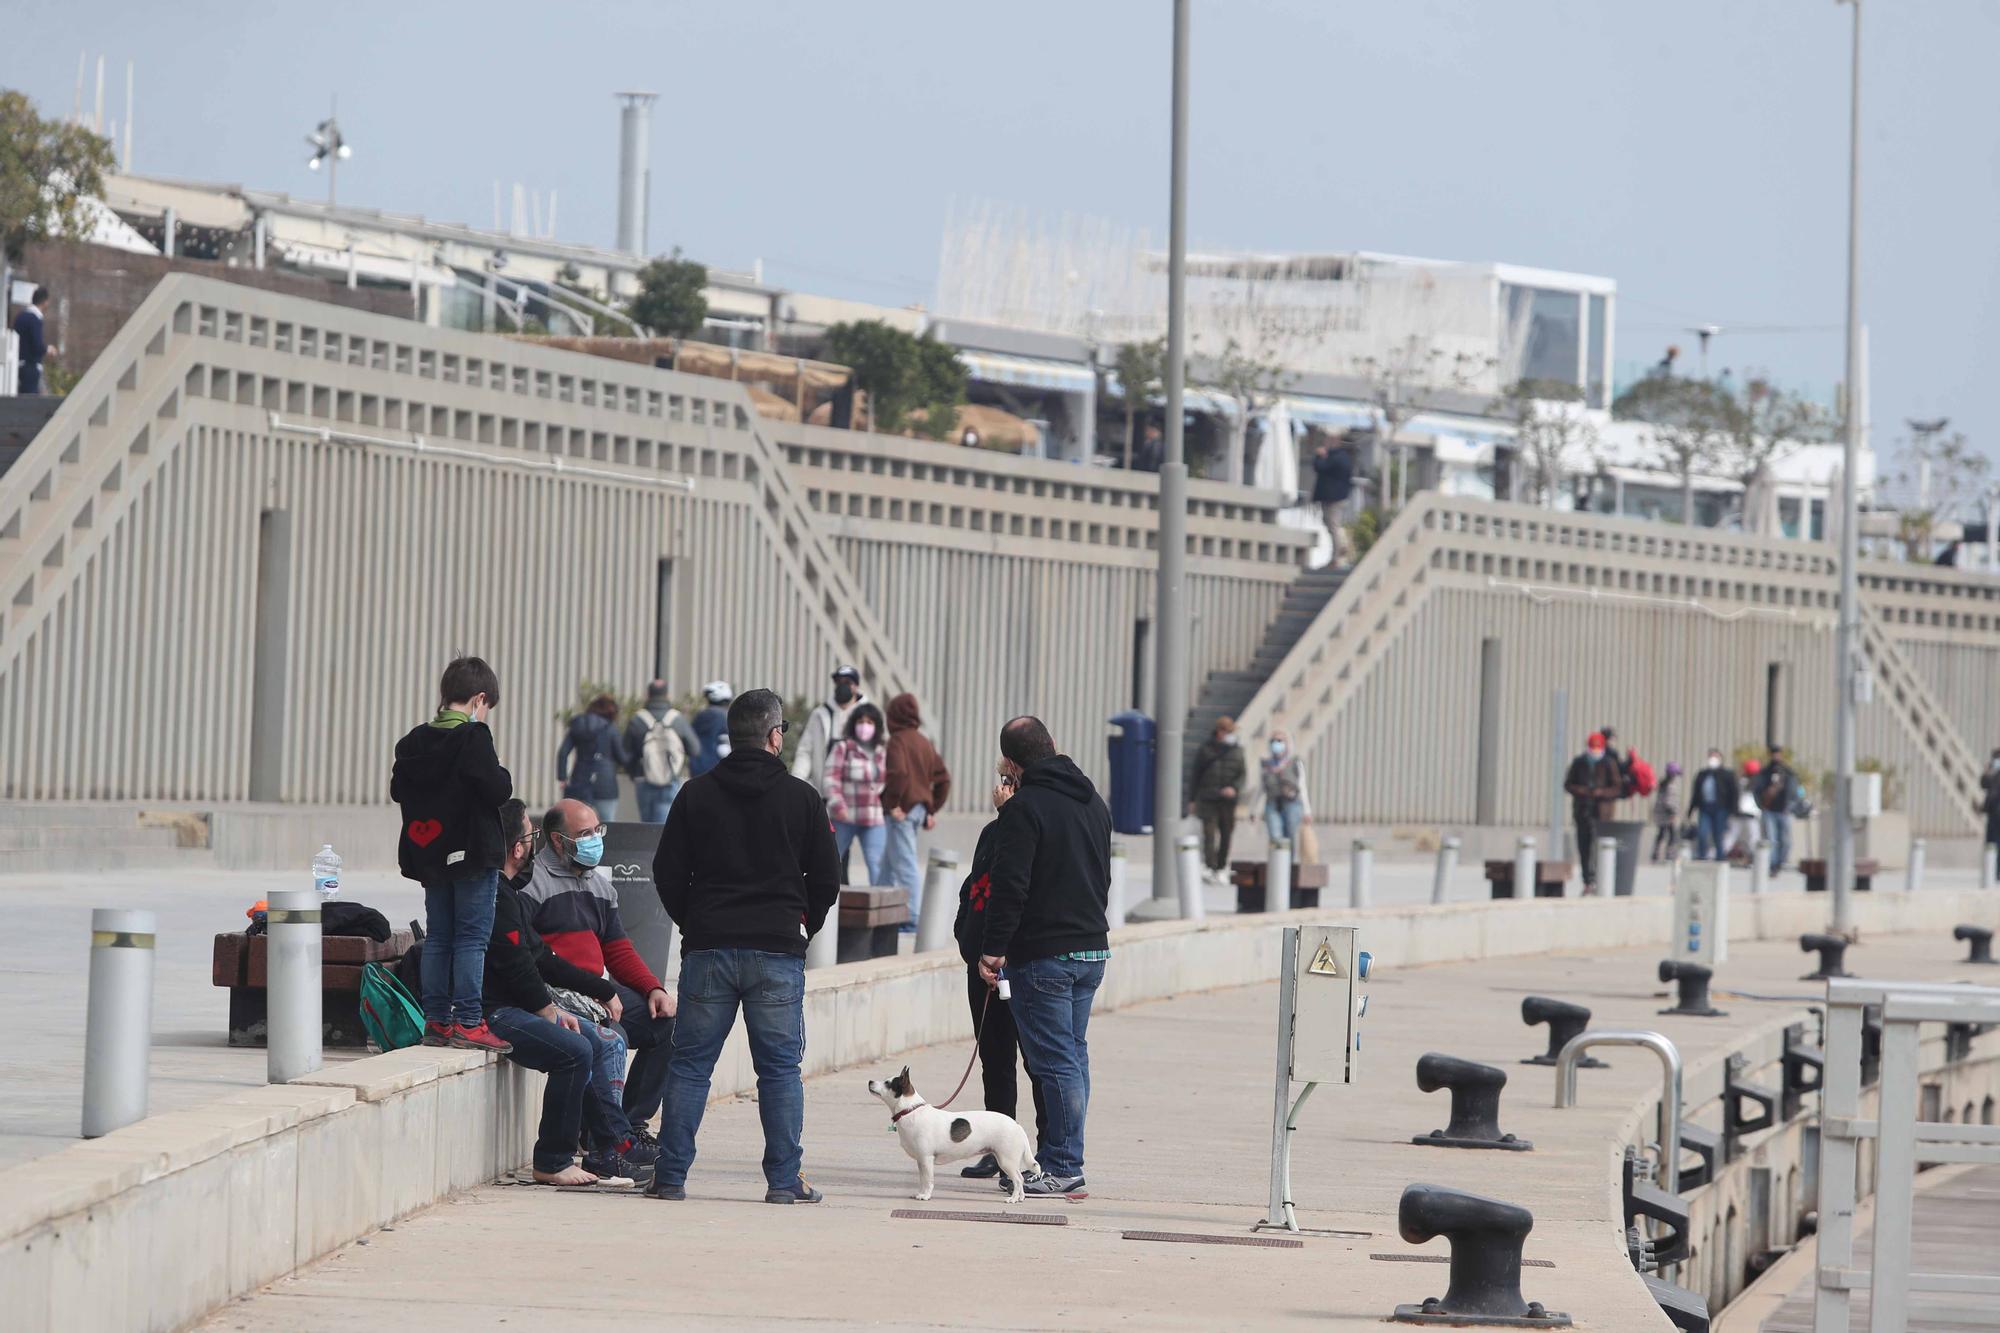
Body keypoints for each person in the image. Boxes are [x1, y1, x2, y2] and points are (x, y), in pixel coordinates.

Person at [647, 688, 840, 1204]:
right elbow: (826, 878)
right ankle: (782, 1182)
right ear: (775, 735)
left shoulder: (696, 794)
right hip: (777, 950)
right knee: (778, 1070)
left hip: (709, 947)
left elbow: (665, 871)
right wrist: (803, 928)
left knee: (689, 1066)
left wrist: (694, 922)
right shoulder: (802, 798)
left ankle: (670, 1177)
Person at [482, 799, 655, 1186]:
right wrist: (548, 1010)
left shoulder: (512, 890)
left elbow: (541, 955)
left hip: (541, 999)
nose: (595, 840)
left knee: (644, 1028)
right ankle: (570, 1156)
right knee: (584, 1047)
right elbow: (518, 965)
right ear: (518, 848)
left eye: (598, 831)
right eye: (530, 835)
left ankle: (620, 1141)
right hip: (501, 1009)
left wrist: (611, 988)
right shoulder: (503, 895)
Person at [977, 716, 1112, 1197]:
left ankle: (1063, 1164)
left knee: (1055, 1062)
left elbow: (1009, 889)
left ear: (1011, 764)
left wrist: (993, 951)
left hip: (1045, 954)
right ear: (1053, 746)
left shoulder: (1025, 809)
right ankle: (1065, 1157)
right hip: (1092, 948)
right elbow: (1102, 876)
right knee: (1072, 1057)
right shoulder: (1093, 801)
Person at [522, 799, 679, 1136]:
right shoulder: (533, 883)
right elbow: (532, 957)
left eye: (597, 830)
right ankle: (600, 1136)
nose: (595, 839)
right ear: (557, 840)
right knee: (613, 1036)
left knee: (667, 1024)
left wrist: (653, 988)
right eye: (584, 834)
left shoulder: (599, 885)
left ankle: (630, 1123)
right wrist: (598, 993)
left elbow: (617, 948)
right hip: (559, 993)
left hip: (598, 992)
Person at [391, 655, 514, 1052]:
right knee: (472, 939)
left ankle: (437, 1020)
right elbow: (497, 790)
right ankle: (468, 1021)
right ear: (479, 699)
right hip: (474, 854)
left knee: (440, 936)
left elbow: (399, 792)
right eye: (487, 707)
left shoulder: (412, 742)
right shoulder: (473, 738)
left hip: (430, 855)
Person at [951, 761, 1047, 1182]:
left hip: (1019, 964)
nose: (1000, 790)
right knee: (995, 1058)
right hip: (983, 963)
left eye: (1008, 783)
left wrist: (998, 951)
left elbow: (1015, 890)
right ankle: (996, 1144)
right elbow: (976, 886)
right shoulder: (993, 831)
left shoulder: (1023, 825)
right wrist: (968, 940)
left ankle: (1041, 1155)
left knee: (1037, 1062)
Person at [883, 693, 952, 937]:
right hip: (918, 808)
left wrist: (891, 803)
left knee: (904, 863)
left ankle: (912, 918)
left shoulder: (897, 741)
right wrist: (931, 808)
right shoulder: (924, 741)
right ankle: (884, 914)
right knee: (889, 863)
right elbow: (943, 778)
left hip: (902, 810)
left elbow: (899, 774)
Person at [825, 702, 890, 886]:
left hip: (873, 818)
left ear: (876, 725)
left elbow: (888, 783)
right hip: (844, 816)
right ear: (853, 724)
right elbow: (830, 778)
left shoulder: (881, 751)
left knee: (877, 865)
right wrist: (838, 804)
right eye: (861, 721)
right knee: (831, 861)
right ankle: (827, 907)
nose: (865, 726)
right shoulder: (843, 748)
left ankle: (879, 911)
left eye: (869, 722)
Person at [624, 679, 700, 824]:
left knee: (646, 826)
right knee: (664, 827)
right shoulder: (677, 719)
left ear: (647, 695)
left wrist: (633, 772)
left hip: (643, 777)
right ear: (667, 695)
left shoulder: (637, 719)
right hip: (670, 778)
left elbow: (626, 753)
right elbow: (695, 749)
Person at [792, 665, 866, 797]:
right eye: (839, 682)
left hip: (856, 800)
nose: (842, 686)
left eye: (847, 682)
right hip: (824, 797)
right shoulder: (820, 715)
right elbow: (805, 752)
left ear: (856, 686)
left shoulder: (868, 716)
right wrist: (797, 782)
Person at [1188, 716, 1247, 882]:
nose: (1229, 734)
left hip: (1228, 802)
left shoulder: (1238, 750)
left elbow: (1242, 775)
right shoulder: (1206, 749)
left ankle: (1221, 866)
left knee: (1226, 834)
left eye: (1231, 732)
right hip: (1208, 797)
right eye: (1227, 731)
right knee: (1209, 833)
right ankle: (1210, 866)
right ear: (1219, 731)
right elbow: (1196, 775)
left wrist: (1234, 789)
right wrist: (1192, 799)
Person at [1563, 732, 1622, 894]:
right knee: (1584, 846)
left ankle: (1601, 879)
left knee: (1600, 847)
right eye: (1592, 748)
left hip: (1602, 813)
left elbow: (1617, 787)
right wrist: (1582, 791)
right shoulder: (1579, 762)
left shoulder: (1609, 763)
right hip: (1583, 811)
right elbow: (1568, 784)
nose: (1594, 752)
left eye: (1597, 748)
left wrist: (1601, 793)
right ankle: (1587, 881)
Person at [557, 694, 627, 823]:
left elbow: (563, 752)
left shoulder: (577, 725)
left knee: (576, 823)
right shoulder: (611, 729)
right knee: (608, 824)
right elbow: (623, 758)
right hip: (606, 783)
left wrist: (562, 777)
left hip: (580, 779)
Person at [1687, 749, 1739, 861]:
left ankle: (1720, 856)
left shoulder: (1727, 774)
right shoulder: (1702, 774)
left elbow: (1734, 792)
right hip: (1705, 807)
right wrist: (1690, 810)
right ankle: (1702, 855)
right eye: (1711, 757)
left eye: (1715, 757)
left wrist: (1733, 810)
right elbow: (1696, 793)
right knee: (1702, 832)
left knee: (1718, 833)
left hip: (1721, 808)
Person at [1311, 434, 1355, 561]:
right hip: (1337, 496)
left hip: (1333, 497)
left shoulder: (1336, 458)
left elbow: (1320, 467)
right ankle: (1340, 545)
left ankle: (1338, 551)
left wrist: (1319, 456)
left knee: (1332, 524)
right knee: (1331, 523)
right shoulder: (1343, 457)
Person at [1755, 746, 1798, 873]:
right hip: (1769, 810)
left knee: (1786, 840)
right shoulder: (1765, 773)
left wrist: (1790, 806)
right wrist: (1761, 805)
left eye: (1778, 754)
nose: (1776, 757)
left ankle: (1781, 861)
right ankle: (1773, 864)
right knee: (1772, 839)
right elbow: (1757, 790)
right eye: (1774, 754)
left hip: (1784, 811)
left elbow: (1793, 791)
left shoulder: (1787, 772)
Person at [1260, 730, 1306, 847]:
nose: (1276, 743)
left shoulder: (1295, 761)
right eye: (1273, 741)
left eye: (1280, 741)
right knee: (1276, 838)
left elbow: (1302, 786)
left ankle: (1288, 864)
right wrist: (1254, 810)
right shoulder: (1266, 763)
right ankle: (1277, 864)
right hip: (1272, 802)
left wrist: (1307, 811)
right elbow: (1261, 788)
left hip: (1292, 802)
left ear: (1287, 743)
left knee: (1289, 836)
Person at [689, 681, 733, 778]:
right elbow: (724, 749)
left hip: (697, 769)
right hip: (717, 771)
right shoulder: (724, 717)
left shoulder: (699, 716)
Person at [12, 287, 49, 395]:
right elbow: (37, 345)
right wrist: (47, 349)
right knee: (30, 400)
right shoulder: (35, 319)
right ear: (44, 302)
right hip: (31, 366)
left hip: (17, 364)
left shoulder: (21, 317)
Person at [1729, 758, 1764, 862]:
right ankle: (1755, 857)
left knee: (1752, 837)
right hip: (1746, 813)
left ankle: (1754, 857)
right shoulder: (1744, 781)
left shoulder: (1746, 781)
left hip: (1746, 813)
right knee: (1752, 837)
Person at [1650, 762, 1683, 862]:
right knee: (1672, 835)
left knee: (1661, 834)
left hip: (1660, 814)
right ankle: (1669, 854)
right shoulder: (1670, 786)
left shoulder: (1663, 785)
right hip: (1667, 815)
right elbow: (1669, 801)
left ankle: (1655, 853)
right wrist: (1673, 812)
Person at [1983, 748, 2000, 856]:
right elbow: (1983, 784)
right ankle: (1991, 869)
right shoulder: (1991, 772)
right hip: (1993, 811)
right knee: (1990, 841)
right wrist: (1987, 773)